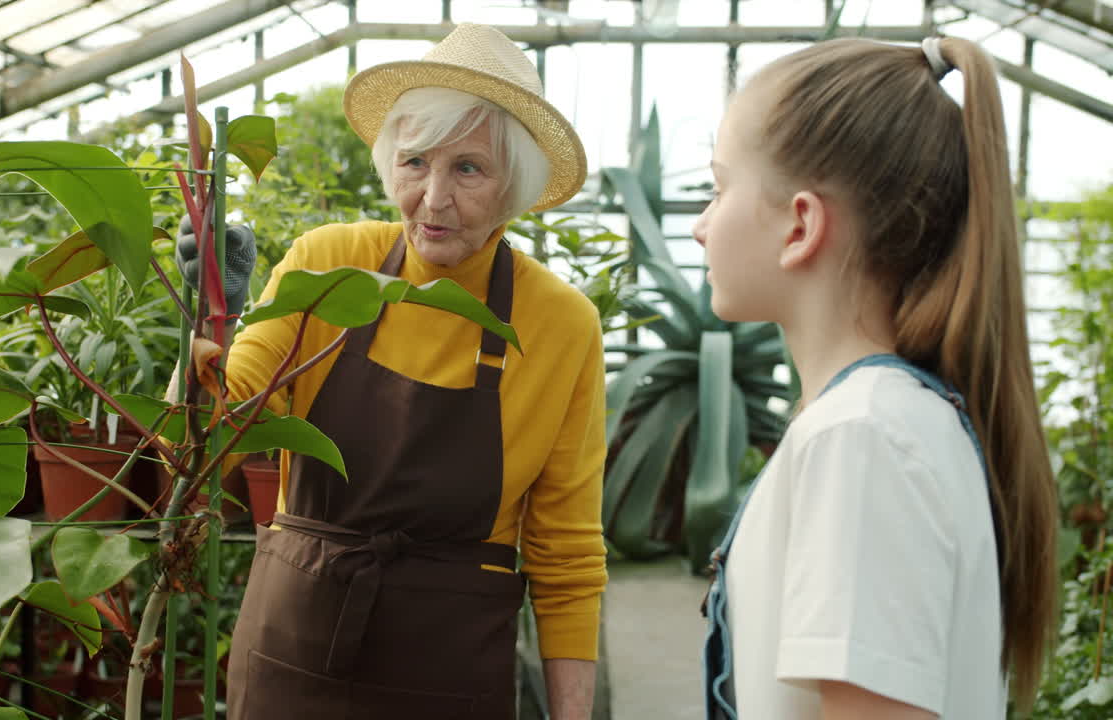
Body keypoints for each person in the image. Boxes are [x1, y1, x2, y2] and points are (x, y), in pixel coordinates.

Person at [177, 23, 607, 720]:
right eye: (415, 162)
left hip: (448, 675)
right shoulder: (325, 265)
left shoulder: (559, 323)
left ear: (513, 186)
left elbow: (567, 560)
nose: (433, 200)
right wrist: (202, 324)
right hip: (293, 654)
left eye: (468, 168)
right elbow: (213, 431)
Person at [695, 36, 1058, 719]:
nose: (700, 226)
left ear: (800, 225)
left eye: (718, 189)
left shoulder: (863, 437)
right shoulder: (885, 422)